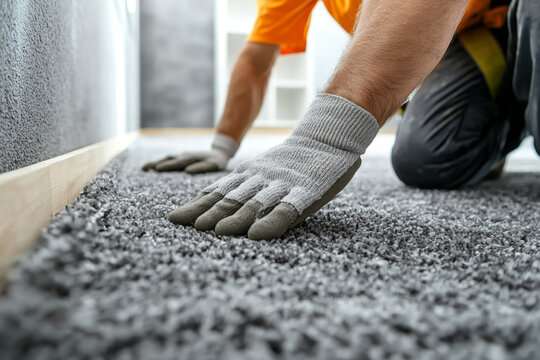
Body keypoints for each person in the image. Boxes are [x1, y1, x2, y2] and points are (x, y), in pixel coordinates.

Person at [143, 0, 539, 240]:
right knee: (428, 159)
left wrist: (326, 138)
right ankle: (507, 115)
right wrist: (222, 147)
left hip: (509, 16)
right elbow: (257, 59)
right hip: (462, 35)